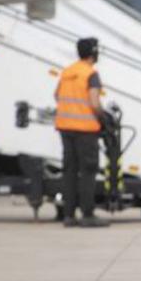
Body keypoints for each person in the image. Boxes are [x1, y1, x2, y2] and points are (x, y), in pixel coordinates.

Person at [54, 37, 110, 228]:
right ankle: (87, 214)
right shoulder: (90, 74)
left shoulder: (67, 72)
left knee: (69, 171)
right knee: (88, 171)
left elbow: (57, 95)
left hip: (65, 127)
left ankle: (69, 215)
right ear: (94, 53)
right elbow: (94, 102)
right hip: (85, 130)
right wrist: (103, 118)